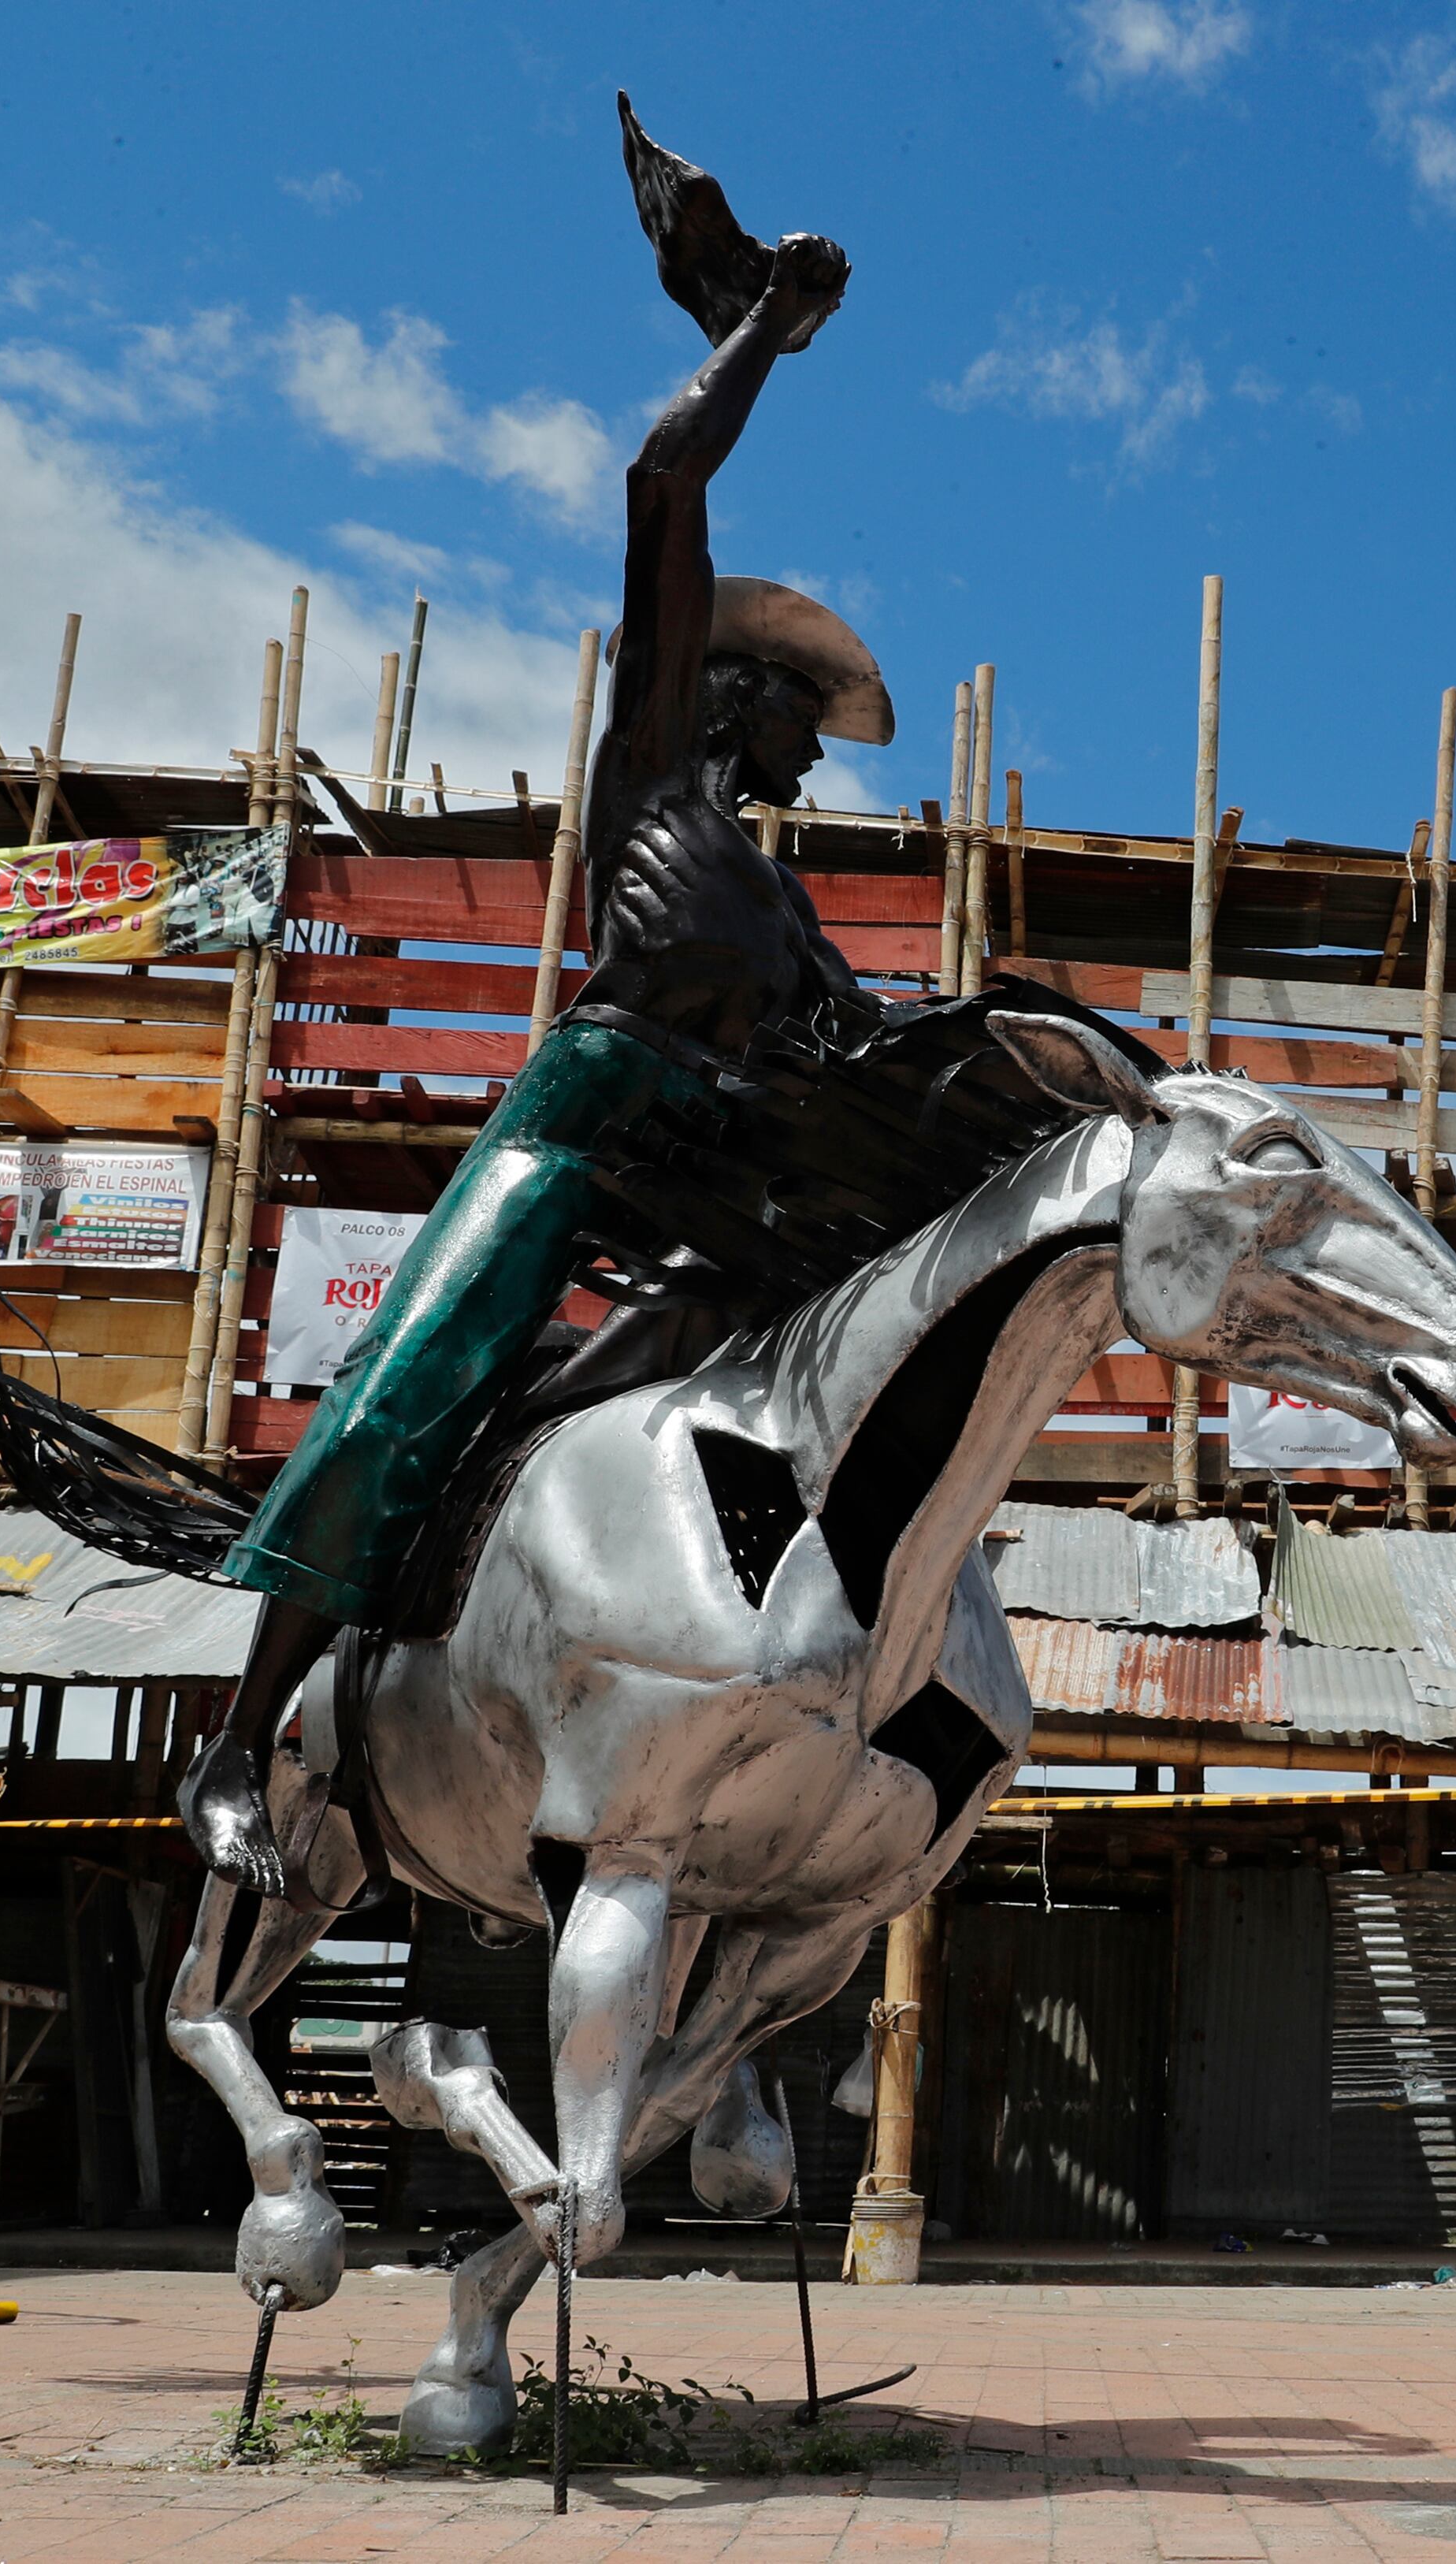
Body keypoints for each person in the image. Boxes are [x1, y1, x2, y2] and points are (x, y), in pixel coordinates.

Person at [185, 100, 889, 1896]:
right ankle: (242, 1734)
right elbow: (665, 485)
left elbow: (862, 1053)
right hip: (596, 1098)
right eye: (797, 708)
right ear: (722, 692)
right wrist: (759, 339)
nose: (814, 741)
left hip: (713, 1154)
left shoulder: (784, 906)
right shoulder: (652, 775)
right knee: (418, 1364)